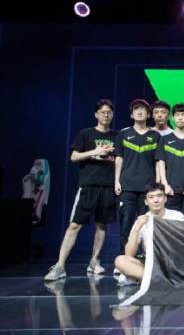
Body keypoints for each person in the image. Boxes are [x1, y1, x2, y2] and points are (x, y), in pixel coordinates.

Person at [44, 99, 118, 281]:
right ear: (96, 114)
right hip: (88, 186)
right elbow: (74, 156)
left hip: (108, 187)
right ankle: (60, 265)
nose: (106, 115)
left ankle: (94, 261)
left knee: (101, 225)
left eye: (109, 112)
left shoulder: (117, 136)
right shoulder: (86, 133)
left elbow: (119, 159)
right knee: (74, 225)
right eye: (103, 112)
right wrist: (94, 152)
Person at [114, 182, 184, 285]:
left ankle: (143, 278)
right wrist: (137, 227)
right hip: (150, 264)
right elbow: (129, 254)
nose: (156, 200)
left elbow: (181, 245)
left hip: (173, 262)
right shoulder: (142, 220)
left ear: (165, 198)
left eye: (159, 196)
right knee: (120, 260)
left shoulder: (177, 216)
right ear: (146, 202)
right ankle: (158, 279)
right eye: (151, 197)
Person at [114, 99, 160, 256]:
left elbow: (158, 161)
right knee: (126, 224)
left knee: (147, 225)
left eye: (143, 110)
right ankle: (124, 259)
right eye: (136, 109)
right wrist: (116, 181)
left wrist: (157, 183)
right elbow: (119, 159)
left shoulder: (155, 136)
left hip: (148, 187)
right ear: (131, 115)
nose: (140, 112)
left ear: (148, 115)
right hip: (127, 186)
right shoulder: (123, 134)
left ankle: (146, 258)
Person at [156, 103, 184, 221]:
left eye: (183, 115)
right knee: (170, 225)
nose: (180, 118)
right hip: (170, 190)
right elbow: (161, 163)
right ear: (172, 118)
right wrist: (165, 184)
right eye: (177, 115)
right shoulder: (164, 139)